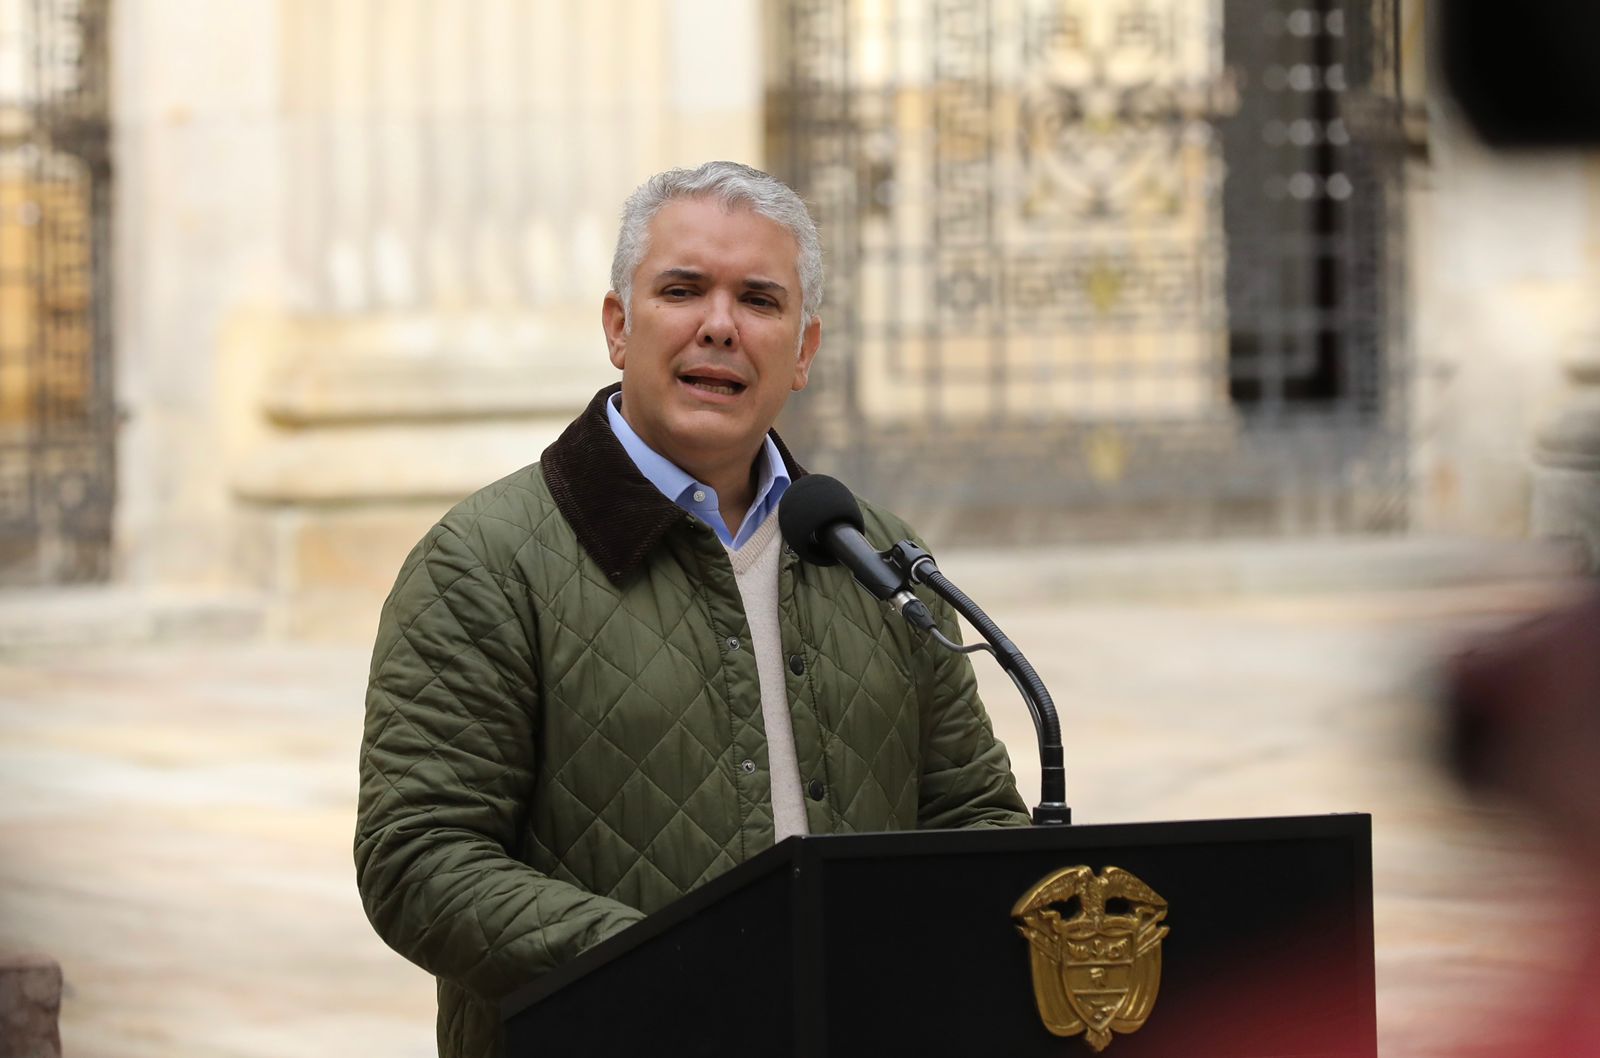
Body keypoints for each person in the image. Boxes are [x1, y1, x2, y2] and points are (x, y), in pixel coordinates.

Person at [354, 161, 1028, 1058]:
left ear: (804, 350)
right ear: (618, 327)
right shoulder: (483, 561)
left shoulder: (874, 552)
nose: (719, 325)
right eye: (681, 291)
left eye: (759, 299)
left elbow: (976, 818)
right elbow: (419, 859)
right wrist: (676, 969)